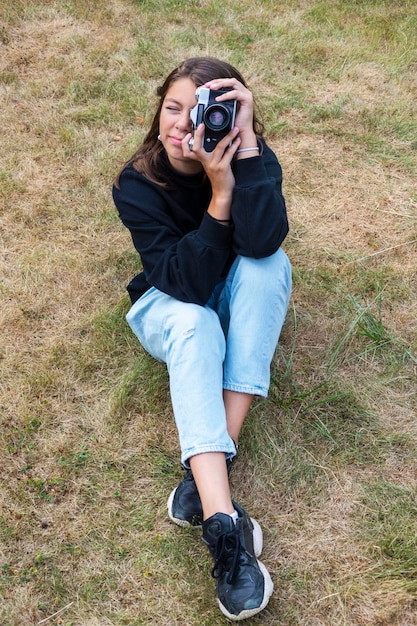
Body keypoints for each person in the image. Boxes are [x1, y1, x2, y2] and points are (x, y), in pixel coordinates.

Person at [112, 56, 292, 621]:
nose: (184, 125)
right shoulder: (136, 183)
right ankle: (226, 531)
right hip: (169, 305)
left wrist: (242, 161)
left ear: (230, 117)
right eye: (172, 107)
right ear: (158, 108)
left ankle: (203, 478)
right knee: (197, 322)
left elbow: (261, 244)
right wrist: (218, 197)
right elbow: (186, 286)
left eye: (203, 112)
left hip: (229, 289)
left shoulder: (250, 156)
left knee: (270, 268)